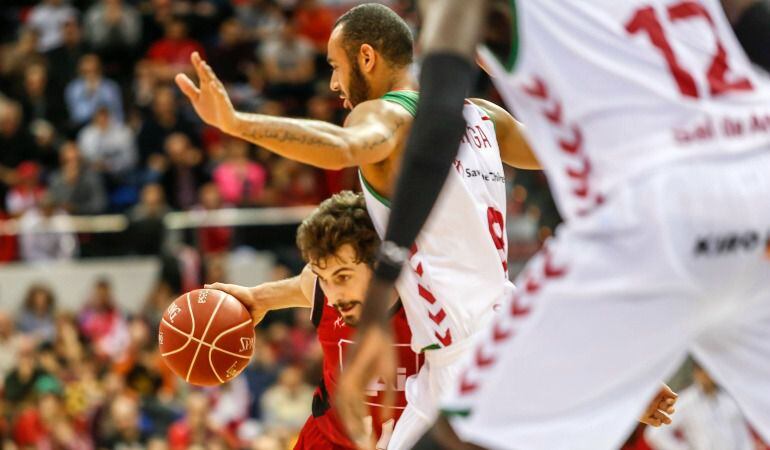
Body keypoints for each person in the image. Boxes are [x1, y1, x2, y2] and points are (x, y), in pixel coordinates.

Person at [352, 1, 770, 449]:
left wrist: (382, 286)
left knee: (459, 438)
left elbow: (438, 120)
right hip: (758, 167)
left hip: (654, 205)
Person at [177, 3, 539, 447]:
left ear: (366, 57)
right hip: (473, 349)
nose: (333, 83)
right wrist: (514, 79)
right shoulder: (481, 116)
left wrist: (237, 123)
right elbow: (558, 149)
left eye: (336, 65)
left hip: (472, 362)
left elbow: (344, 146)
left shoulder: (389, 114)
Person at [206, 191, 421, 449]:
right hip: (329, 441)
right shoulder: (320, 288)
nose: (334, 295)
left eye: (343, 277)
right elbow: (302, 286)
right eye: (324, 277)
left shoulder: (427, 298)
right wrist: (257, 297)